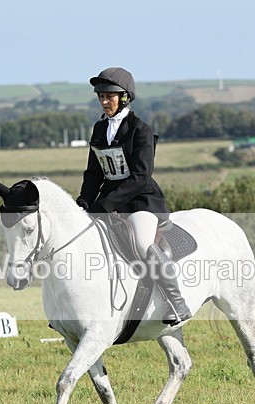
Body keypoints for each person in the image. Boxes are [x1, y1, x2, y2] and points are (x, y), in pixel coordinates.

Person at [76, 67, 191, 326]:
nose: (104, 101)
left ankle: (177, 301)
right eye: (101, 97)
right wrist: (85, 199)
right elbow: (94, 171)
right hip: (108, 200)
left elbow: (140, 176)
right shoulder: (99, 129)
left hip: (141, 201)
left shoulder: (141, 130)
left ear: (125, 97)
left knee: (141, 242)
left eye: (110, 96)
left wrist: (105, 204)